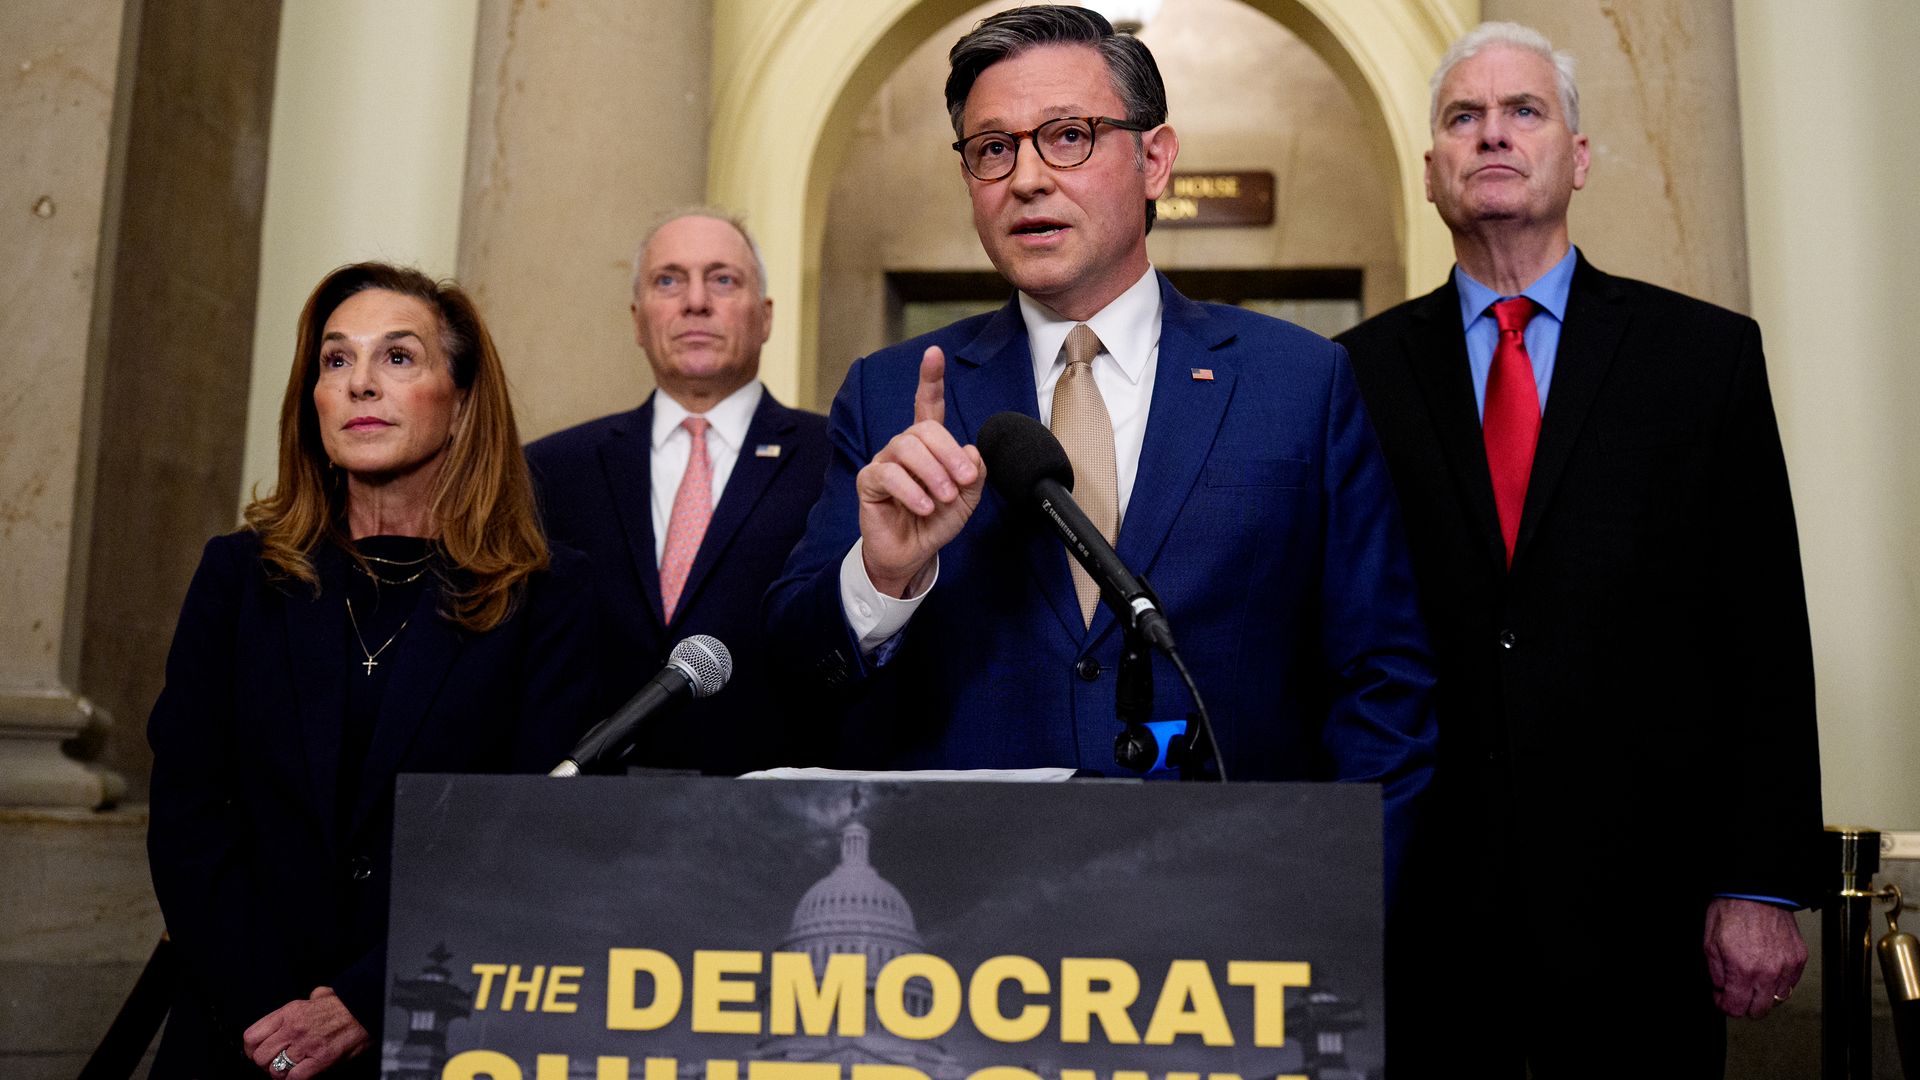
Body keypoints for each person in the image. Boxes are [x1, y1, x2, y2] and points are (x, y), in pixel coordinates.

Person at [765, 5, 1434, 867]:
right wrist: (883, 577)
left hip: (1231, 900)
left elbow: (1383, 683)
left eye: (1068, 136)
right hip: (966, 900)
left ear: (1155, 160)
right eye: (992, 149)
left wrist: (1338, 900)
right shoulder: (893, 394)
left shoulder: (1299, 383)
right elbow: (794, 669)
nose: (1026, 179)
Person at [1333, 22, 1823, 1074]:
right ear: (1431, 170)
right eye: (1463, 117)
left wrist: (1759, 881)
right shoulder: (1353, 376)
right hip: (1424, 909)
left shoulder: (1702, 359)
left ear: (1580, 157)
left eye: (1524, 111)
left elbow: (1763, 633)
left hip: (1644, 905)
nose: (1492, 135)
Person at [146, 263, 596, 1078]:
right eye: (335, 359)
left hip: (435, 1026)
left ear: (462, 403)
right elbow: (188, 815)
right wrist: (270, 1016)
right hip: (240, 1034)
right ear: (313, 400)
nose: (360, 383)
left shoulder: (547, 597)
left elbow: (534, 841)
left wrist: (365, 999)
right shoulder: (238, 579)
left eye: (397, 357)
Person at [526, 211, 830, 773]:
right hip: (587, 805)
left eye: (723, 279)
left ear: (765, 316)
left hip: (772, 801)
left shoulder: (835, 459)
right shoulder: (549, 470)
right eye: (668, 280)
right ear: (638, 320)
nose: (695, 302)